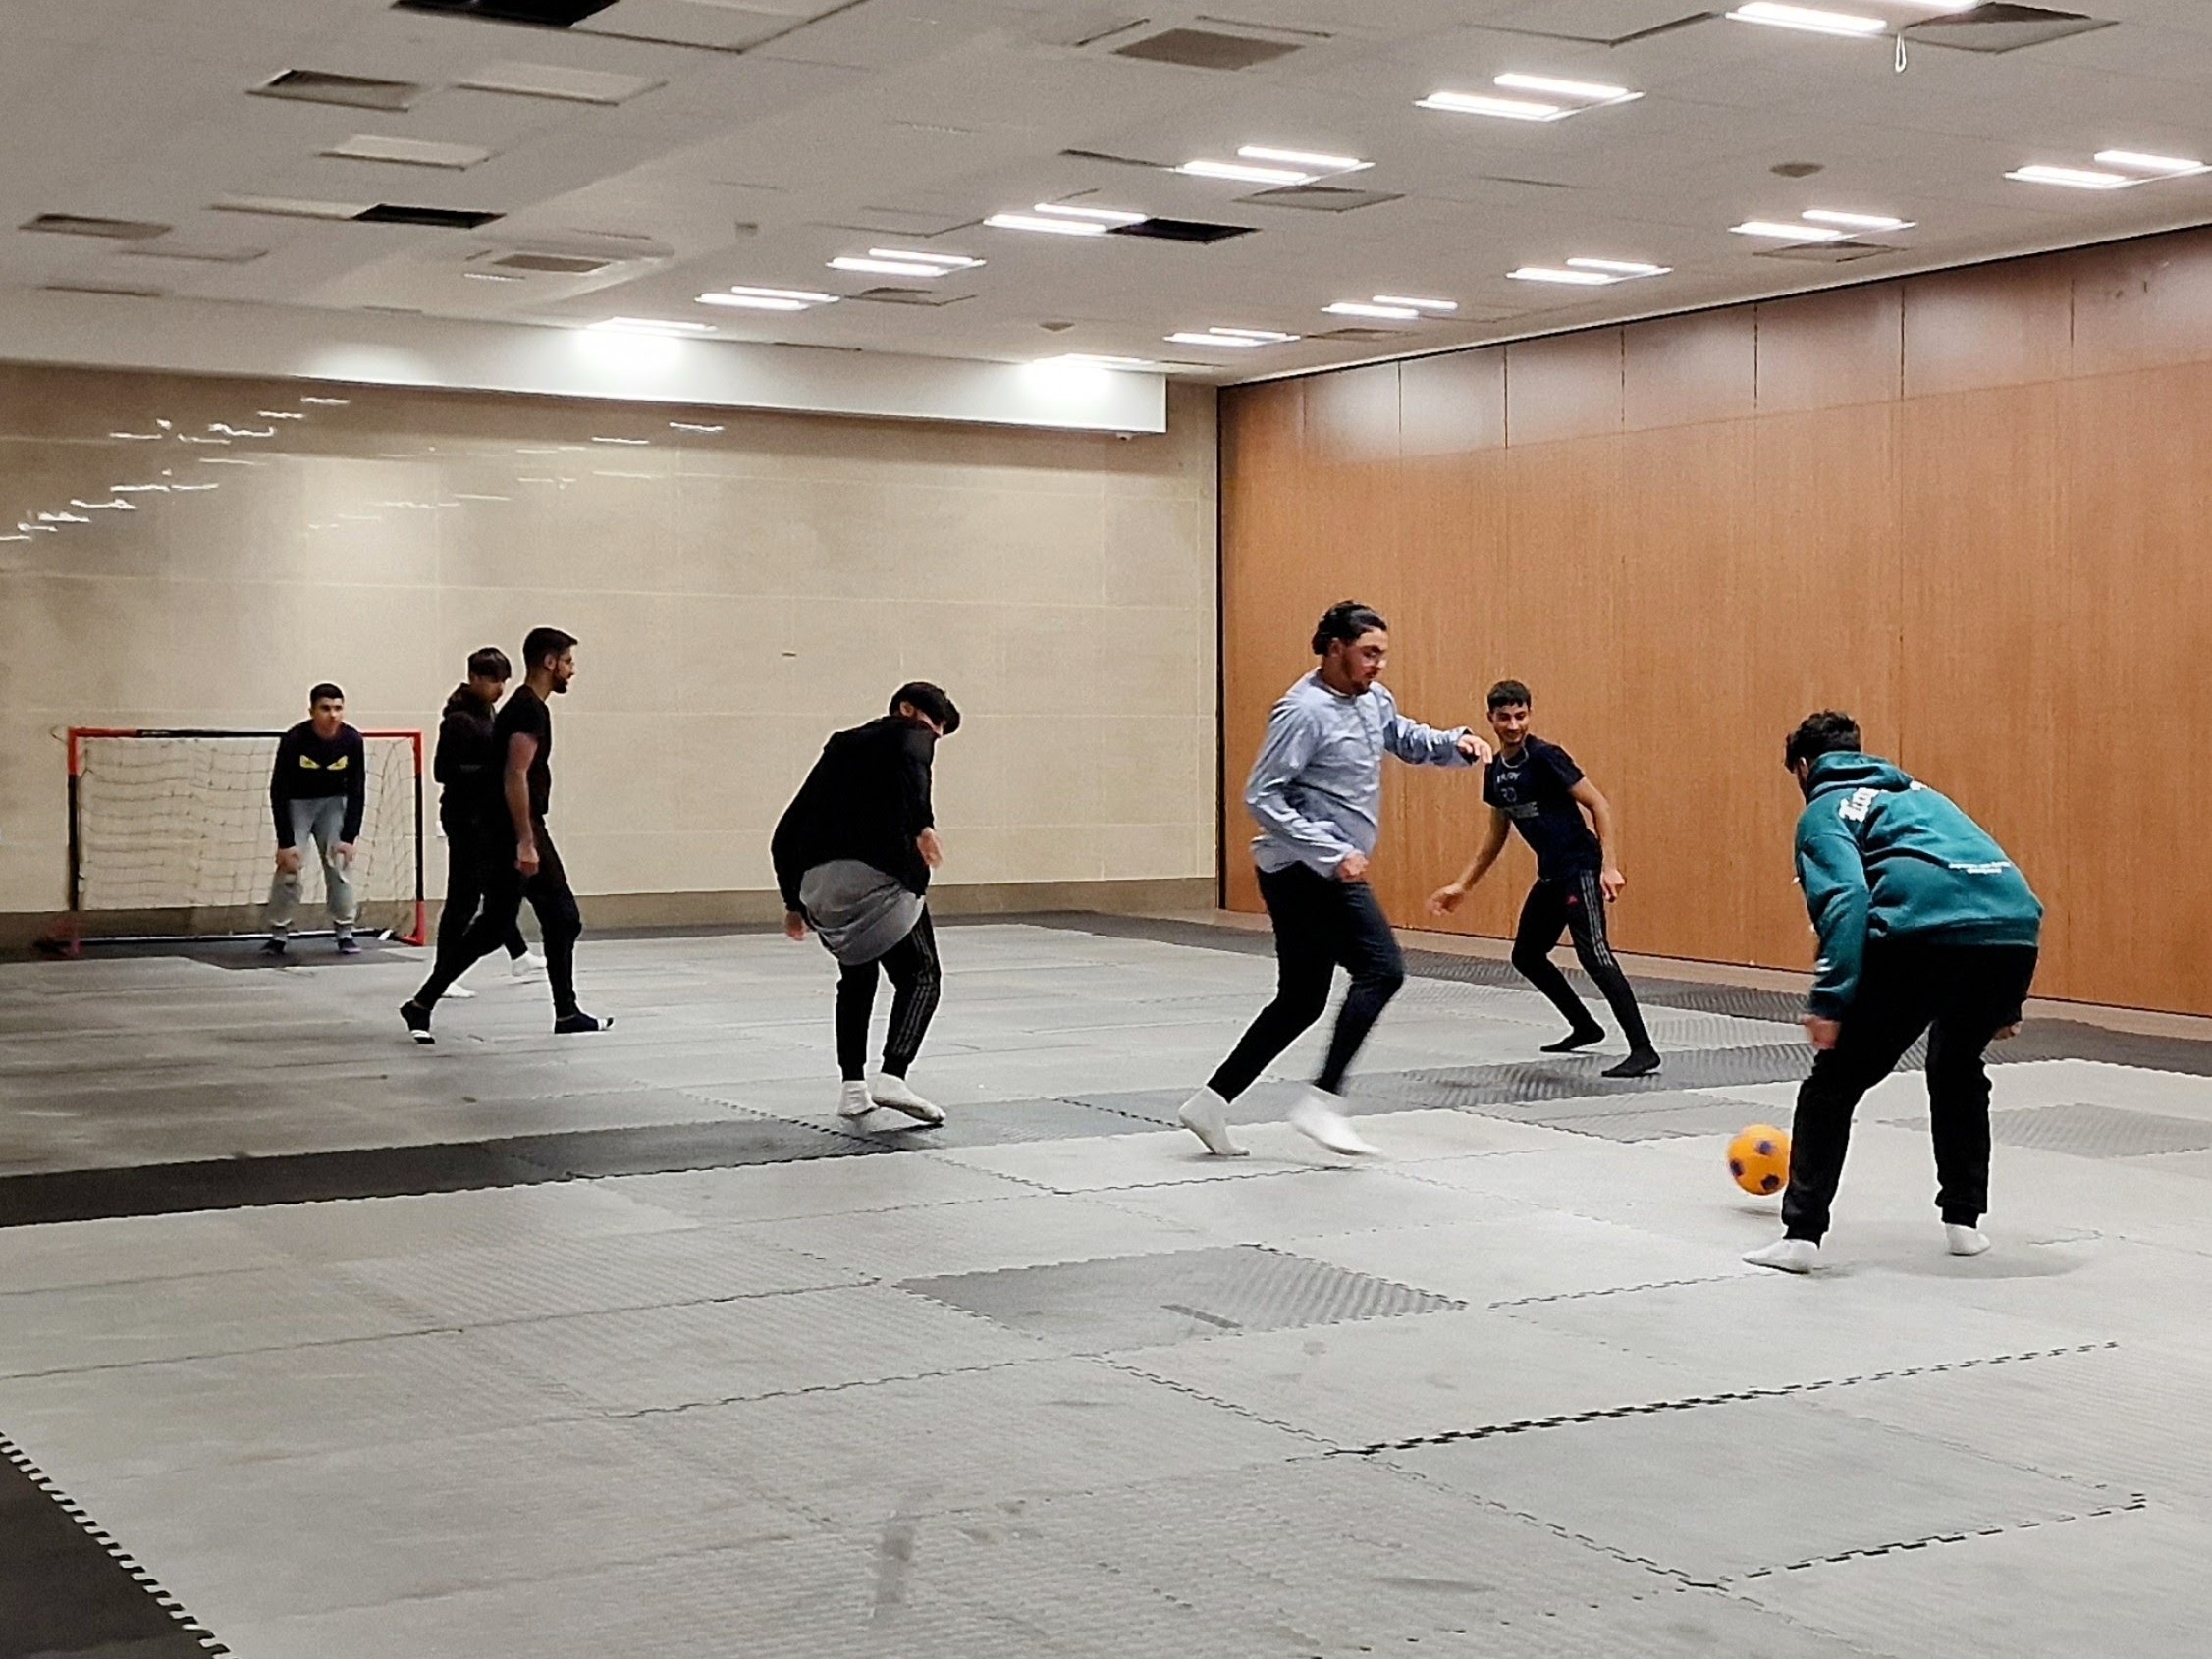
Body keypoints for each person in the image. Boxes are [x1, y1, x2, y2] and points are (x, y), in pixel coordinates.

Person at [1178, 601, 1489, 1159]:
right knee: (1382, 969)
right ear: (1334, 647)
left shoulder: (1373, 700)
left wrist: (1455, 744)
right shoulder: (1302, 712)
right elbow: (1261, 796)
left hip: (1316, 869)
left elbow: (1402, 736)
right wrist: (1329, 851)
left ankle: (1212, 1102)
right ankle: (1324, 1100)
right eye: (1369, 653)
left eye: (1383, 655)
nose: (1378, 665)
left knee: (1300, 1000)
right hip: (1304, 869)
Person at [1743, 711, 2043, 1274]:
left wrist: (1830, 1000)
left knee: (1832, 1085)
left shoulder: (1824, 810)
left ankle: (1801, 1237)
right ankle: (1964, 1222)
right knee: (1956, 1066)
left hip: (1925, 941)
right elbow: (1999, 884)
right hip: (2013, 938)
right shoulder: (1922, 795)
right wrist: (2007, 1001)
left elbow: (1848, 901)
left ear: (1804, 768)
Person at [1428, 680, 1659, 1078]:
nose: (1514, 725)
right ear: (1491, 720)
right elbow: (1496, 835)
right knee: (1527, 955)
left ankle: (1643, 1049)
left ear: (1529, 716)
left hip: (1580, 868)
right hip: (1551, 875)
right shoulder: (1496, 771)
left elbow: (1598, 804)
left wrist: (1609, 865)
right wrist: (1462, 885)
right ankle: (1584, 1025)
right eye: (1505, 717)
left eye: (1520, 716)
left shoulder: (1547, 757)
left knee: (1595, 956)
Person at [402, 627, 609, 1041]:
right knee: (560, 918)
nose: (572, 670)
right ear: (550, 662)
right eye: (568, 661)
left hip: (509, 828)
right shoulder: (530, 710)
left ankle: (422, 1003)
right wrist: (526, 841)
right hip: (519, 828)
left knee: (500, 924)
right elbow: (515, 774)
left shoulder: (518, 707)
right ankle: (564, 1012)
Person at [773, 684, 960, 1126]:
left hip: (820, 885)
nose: (931, 740)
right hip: (881, 876)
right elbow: (915, 769)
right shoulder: (909, 734)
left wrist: (793, 902)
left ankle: (852, 1088)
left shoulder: (839, 748)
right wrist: (922, 826)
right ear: (908, 710)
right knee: (921, 975)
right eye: (933, 729)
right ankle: (893, 1075)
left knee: (857, 979)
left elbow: (786, 829)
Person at [430, 647, 546, 999]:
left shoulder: (490, 713)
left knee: (495, 891)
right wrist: (491, 774)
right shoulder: (459, 720)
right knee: (463, 896)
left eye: (503, 681)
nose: (499, 687)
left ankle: (519, 954)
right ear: (475, 678)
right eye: (493, 680)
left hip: (483, 815)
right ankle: (444, 971)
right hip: (463, 816)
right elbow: (442, 770)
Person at [265, 682, 365, 956]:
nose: (332, 715)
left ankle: (345, 930)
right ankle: (278, 933)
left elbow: (357, 788)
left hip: (334, 804)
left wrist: (348, 837)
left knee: (339, 864)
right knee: (290, 869)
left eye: (338, 708)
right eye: (325, 708)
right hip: (297, 804)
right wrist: (285, 841)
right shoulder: (294, 740)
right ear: (311, 711)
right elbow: (278, 790)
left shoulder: (352, 740)